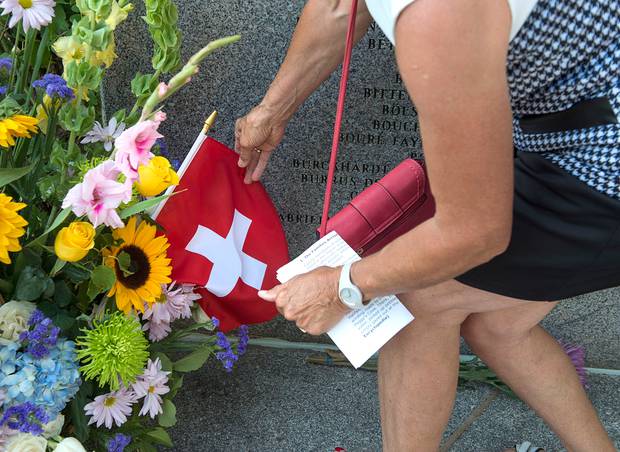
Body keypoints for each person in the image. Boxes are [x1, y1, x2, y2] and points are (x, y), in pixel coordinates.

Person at [234, 0, 619, 450]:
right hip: (566, 127)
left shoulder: (438, 13)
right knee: (498, 327)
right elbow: (343, 7)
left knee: (415, 297)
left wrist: (340, 286)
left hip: (603, 164)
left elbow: (475, 232)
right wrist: (271, 111)